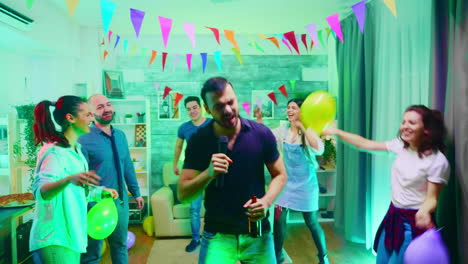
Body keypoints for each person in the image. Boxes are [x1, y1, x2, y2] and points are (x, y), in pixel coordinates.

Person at [178, 77, 287, 264]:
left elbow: (281, 175)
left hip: (258, 232)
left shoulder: (261, 133)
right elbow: (183, 194)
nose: (228, 110)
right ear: (207, 108)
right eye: (219, 106)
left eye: (230, 102)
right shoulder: (198, 141)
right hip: (217, 236)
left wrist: (266, 202)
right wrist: (208, 174)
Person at [323, 105, 450, 264]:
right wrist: (337, 132)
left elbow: (432, 198)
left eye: (411, 122)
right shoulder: (401, 146)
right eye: (403, 122)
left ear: (426, 129)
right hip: (393, 215)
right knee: (381, 260)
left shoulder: (437, 161)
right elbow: (364, 144)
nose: (405, 126)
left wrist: (424, 211)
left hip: (413, 224)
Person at [29, 96, 118, 264]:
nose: (92, 118)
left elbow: (75, 190)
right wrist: (69, 179)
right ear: (70, 118)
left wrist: (99, 192)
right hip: (56, 237)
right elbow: (41, 192)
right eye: (88, 114)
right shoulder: (55, 152)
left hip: (71, 235)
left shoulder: (76, 150)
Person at [255, 98, 330, 264]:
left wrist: (302, 125)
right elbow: (266, 135)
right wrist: (259, 119)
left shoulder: (309, 130)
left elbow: (319, 149)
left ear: (301, 112)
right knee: (279, 221)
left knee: (312, 223)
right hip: (287, 185)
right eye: (288, 108)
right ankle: (277, 256)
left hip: (306, 186)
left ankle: (323, 257)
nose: (289, 111)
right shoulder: (284, 130)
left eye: (293, 108)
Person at [79, 94, 144, 264]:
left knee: (120, 246)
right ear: (91, 114)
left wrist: (136, 193)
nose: (107, 109)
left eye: (108, 104)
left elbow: (127, 165)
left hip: (120, 203)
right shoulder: (83, 138)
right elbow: (81, 177)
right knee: (92, 253)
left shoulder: (120, 135)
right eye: (100, 107)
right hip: (95, 205)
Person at [173, 96, 212, 252]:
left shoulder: (212, 124)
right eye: (189, 109)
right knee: (194, 209)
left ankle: (212, 238)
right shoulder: (184, 128)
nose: (192, 111)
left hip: (212, 172)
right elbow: (178, 147)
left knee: (214, 207)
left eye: (194, 107)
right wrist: (175, 164)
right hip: (193, 174)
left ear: (201, 107)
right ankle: (196, 239)